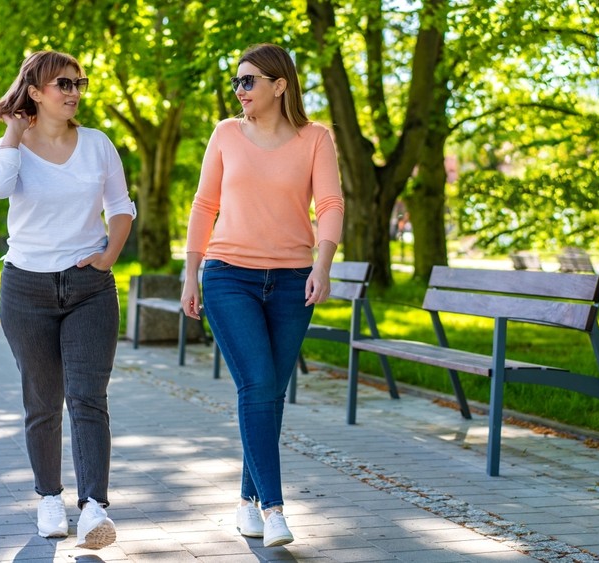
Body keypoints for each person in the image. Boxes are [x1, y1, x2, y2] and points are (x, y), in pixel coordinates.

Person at [180, 43, 344, 547]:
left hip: (293, 281)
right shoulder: (226, 134)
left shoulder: (316, 138)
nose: (240, 90)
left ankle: (247, 501)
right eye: (236, 81)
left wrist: (323, 265)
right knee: (257, 384)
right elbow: (204, 205)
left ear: (280, 85)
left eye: (249, 80)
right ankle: (274, 509)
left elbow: (330, 204)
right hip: (229, 276)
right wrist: (190, 275)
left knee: (270, 392)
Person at [0, 50, 135, 549]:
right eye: (63, 84)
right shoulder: (12, 148)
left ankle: (93, 508)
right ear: (36, 92)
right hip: (26, 289)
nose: (73, 92)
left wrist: (108, 256)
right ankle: (49, 497)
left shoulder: (97, 144)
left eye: (78, 83)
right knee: (43, 400)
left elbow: (120, 206)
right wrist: (12, 131)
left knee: (88, 397)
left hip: (89, 288)